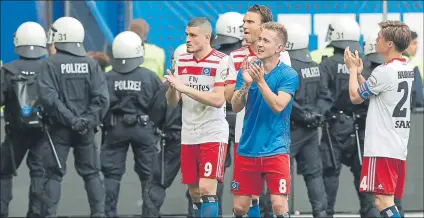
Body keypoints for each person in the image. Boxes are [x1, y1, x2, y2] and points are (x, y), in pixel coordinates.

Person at [36, 16, 110, 217]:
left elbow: (49, 98)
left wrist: (71, 120)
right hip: (85, 130)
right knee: (92, 174)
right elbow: (102, 99)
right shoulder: (91, 64)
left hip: (58, 130)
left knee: (53, 176)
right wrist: (87, 121)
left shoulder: (49, 65)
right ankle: (99, 214)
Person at [224, 5, 292, 217]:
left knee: (278, 205)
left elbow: (279, 102)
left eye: (250, 22)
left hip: (275, 142)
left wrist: (259, 80)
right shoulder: (237, 59)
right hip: (246, 137)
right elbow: (231, 101)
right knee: (241, 206)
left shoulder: (285, 65)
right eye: (243, 21)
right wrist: (245, 84)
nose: (244, 26)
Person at [345, 20, 414, 218]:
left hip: (382, 146)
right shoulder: (405, 68)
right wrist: (359, 75)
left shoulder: (384, 71)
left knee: (383, 201)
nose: (376, 39)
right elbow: (375, 92)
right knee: (385, 200)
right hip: (396, 145)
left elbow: (355, 97)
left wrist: (351, 70)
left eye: (380, 37)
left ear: (390, 43)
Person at [165, 17, 229, 218]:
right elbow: (173, 102)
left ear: (206, 37)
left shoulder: (221, 60)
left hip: (213, 132)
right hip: (189, 133)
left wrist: (185, 88)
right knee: (193, 192)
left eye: (193, 35)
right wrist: (173, 88)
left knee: (206, 189)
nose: (188, 39)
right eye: (186, 35)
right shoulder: (182, 59)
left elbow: (218, 99)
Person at [317, 18, 380, 218]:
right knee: (364, 179)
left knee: (330, 175)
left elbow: (322, 95)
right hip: (361, 126)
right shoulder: (364, 64)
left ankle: (327, 213)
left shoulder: (326, 64)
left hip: (333, 127)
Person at [99, 31, 162, 217]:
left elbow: (101, 104)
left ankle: (109, 213)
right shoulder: (149, 77)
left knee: (111, 174)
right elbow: (159, 105)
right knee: (149, 174)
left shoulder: (108, 77)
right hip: (144, 128)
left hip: (114, 128)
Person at [284, 22, 332, 218]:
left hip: (291, 129)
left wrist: (304, 116)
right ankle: (321, 214)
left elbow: (286, 99)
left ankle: (276, 213)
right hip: (311, 130)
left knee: (279, 175)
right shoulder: (315, 65)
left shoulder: (287, 67)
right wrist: (316, 116)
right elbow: (326, 95)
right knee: (314, 175)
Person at [0, 21, 48, 217]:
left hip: (15, 132)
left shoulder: (8, 70)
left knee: (3, 173)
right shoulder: (48, 69)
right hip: (43, 132)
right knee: (39, 174)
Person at [211, 11, 244, 216]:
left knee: (217, 172)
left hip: (219, 116)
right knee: (248, 171)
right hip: (242, 118)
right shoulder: (249, 55)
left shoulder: (216, 57)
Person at [147, 43, 186, 217]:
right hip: (197, 137)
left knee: (158, 183)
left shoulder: (164, 87)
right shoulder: (203, 86)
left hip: (172, 140)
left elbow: (155, 116)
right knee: (201, 186)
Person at [402, 31, 424, 108]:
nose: (417, 46)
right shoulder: (415, 65)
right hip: (415, 109)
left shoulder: (389, 62)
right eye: (414, 43)